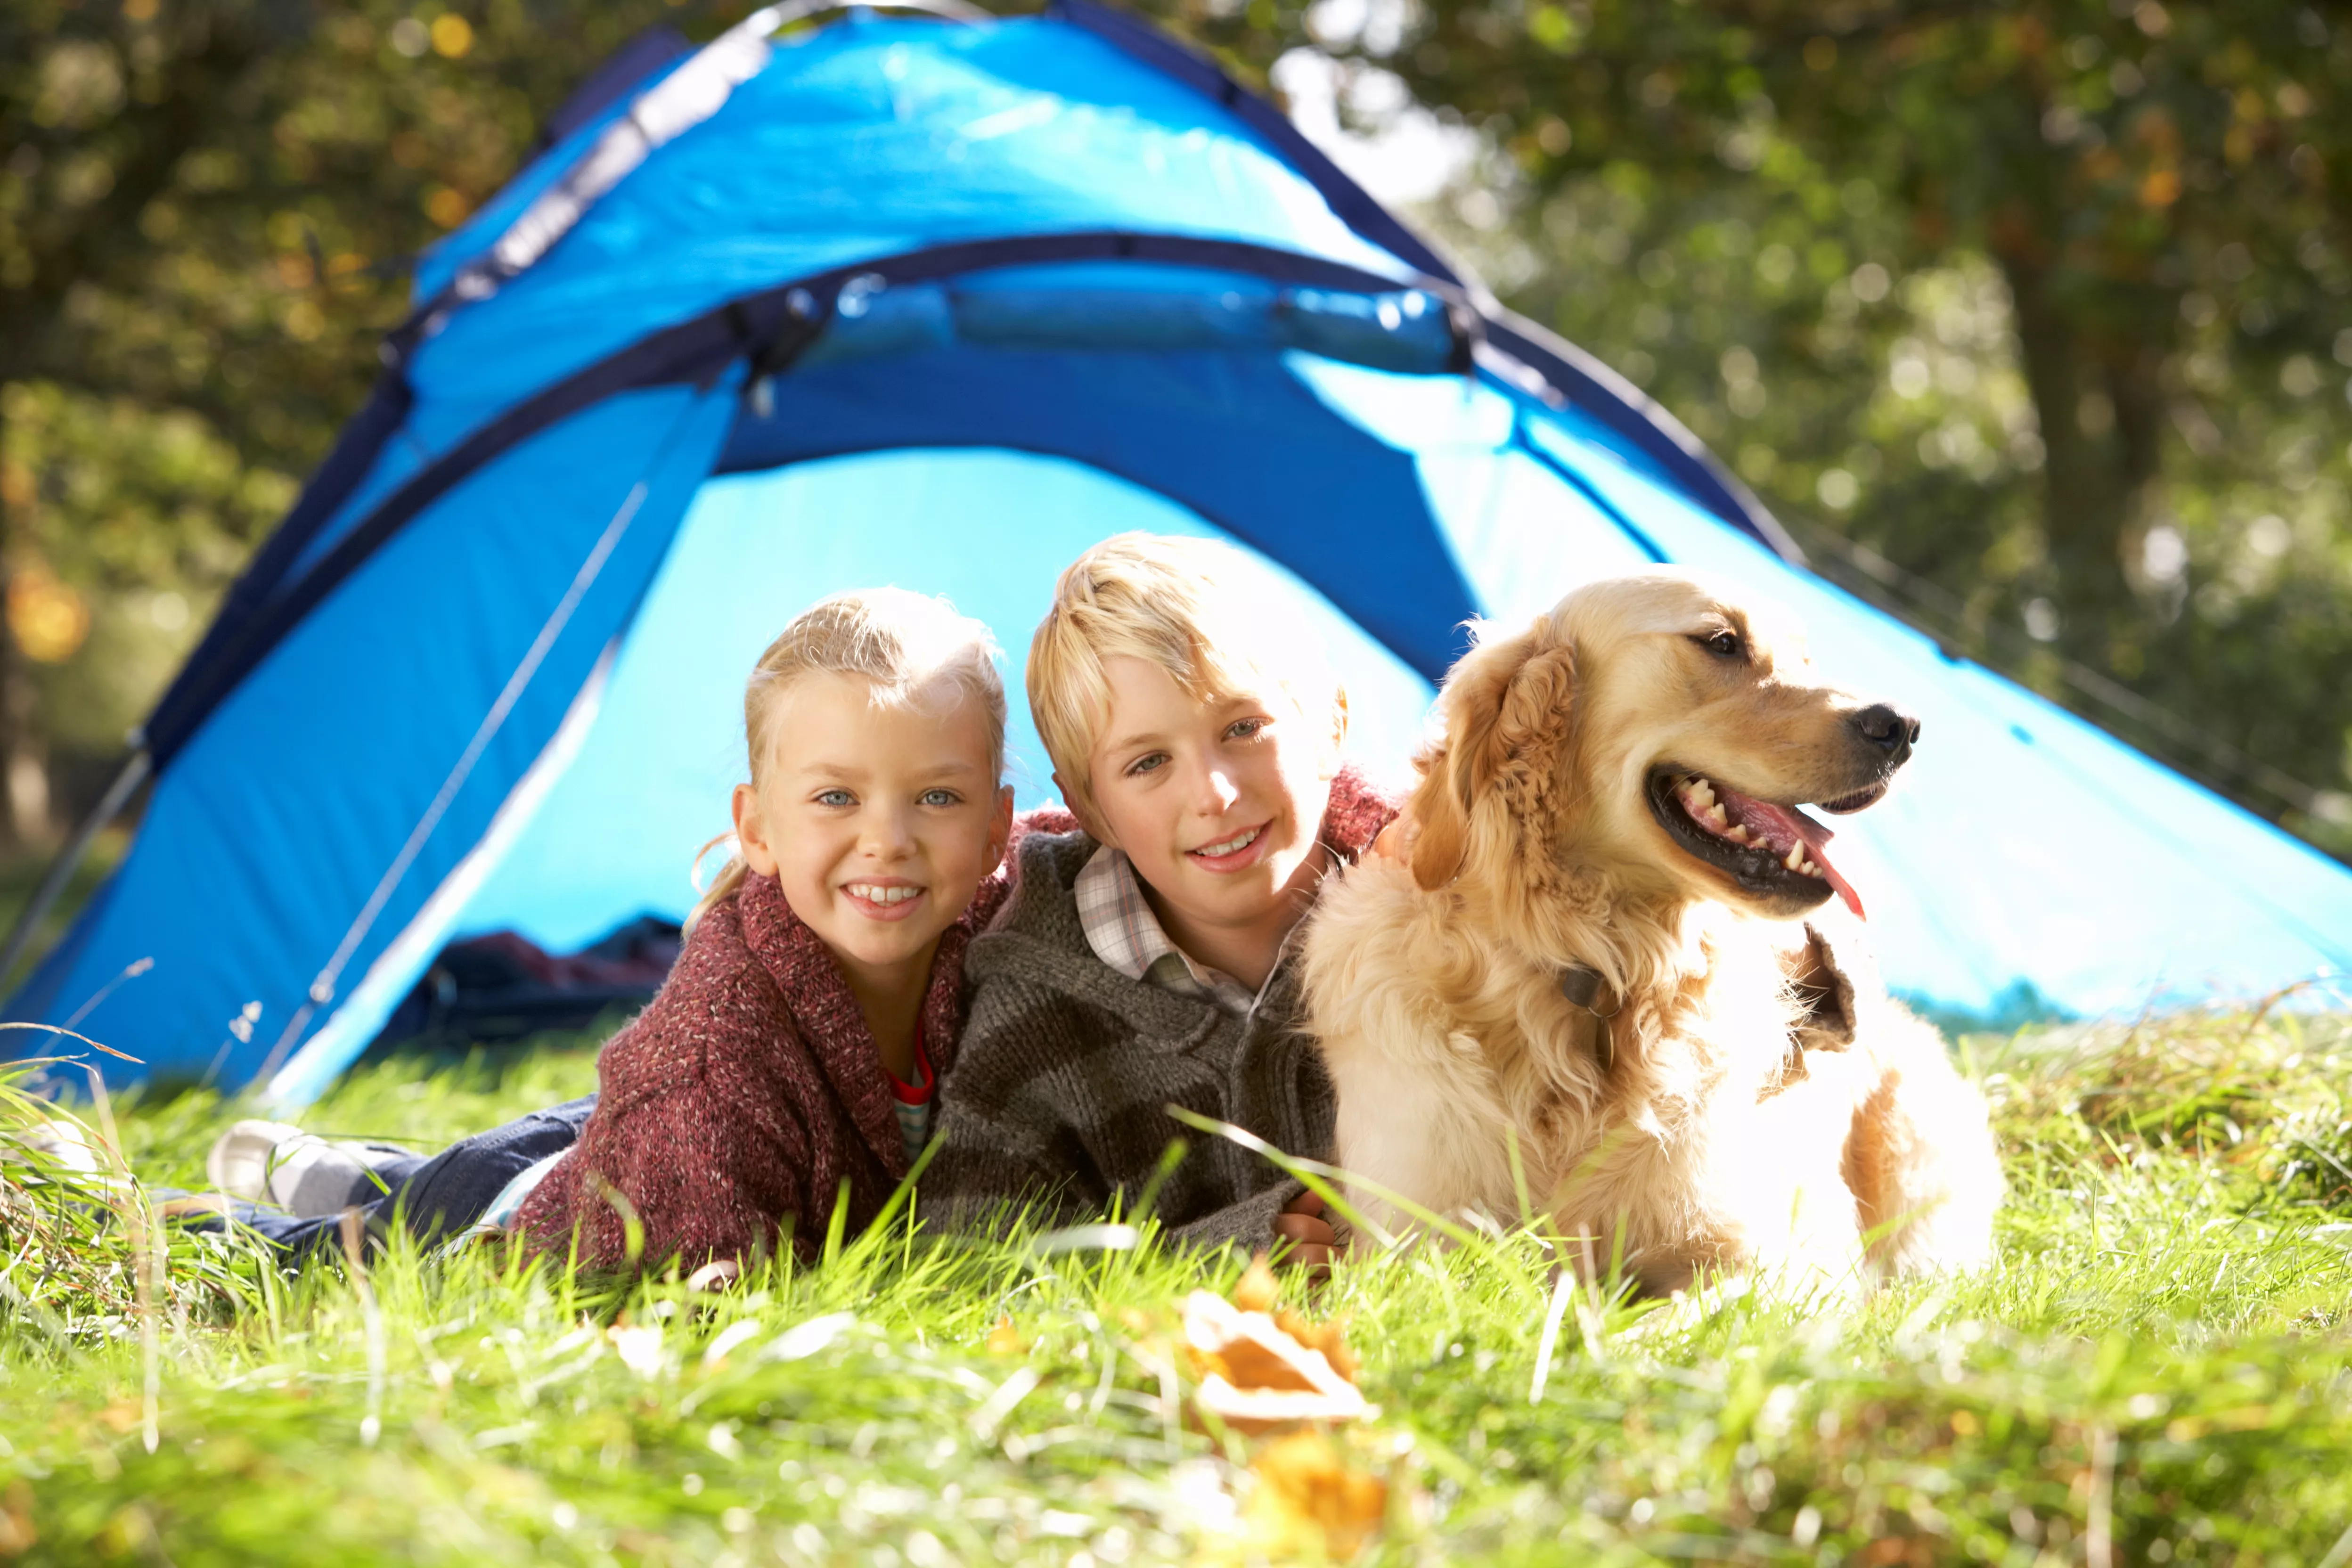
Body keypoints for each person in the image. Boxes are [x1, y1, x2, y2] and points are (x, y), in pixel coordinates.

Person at [206, 587, 1038, 1270]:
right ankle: (189, 1220)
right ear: (757, 830)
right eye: (835, 798)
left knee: (531, 1150)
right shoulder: (717, 1064)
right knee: (333, 1260)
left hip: (598, 1139)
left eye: (937, 797)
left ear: (995, 825)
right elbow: (701, 1300)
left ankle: (368, 1173)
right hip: (543, 1232)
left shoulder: (1015, 910)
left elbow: (1102, 843)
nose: (888, 838)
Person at [919, 533, 1395, 1267]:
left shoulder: (1435, 936)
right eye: (1148, 763)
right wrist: (1206, 1265)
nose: (1214, 794)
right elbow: (968, 1280)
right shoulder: (1039, 1018)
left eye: (1243, 727)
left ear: (1330, 724)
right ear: (1092, 810)